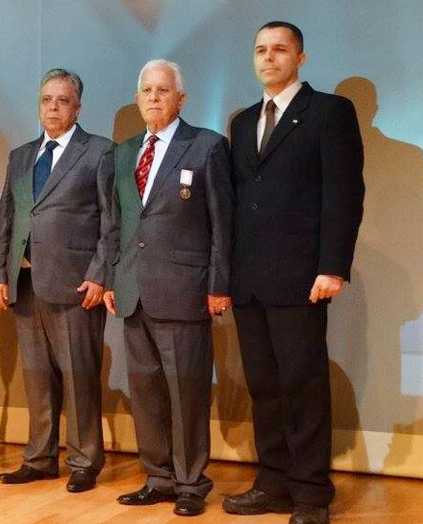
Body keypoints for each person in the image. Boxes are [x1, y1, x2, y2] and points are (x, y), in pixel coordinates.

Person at [222, 22, 364, 524]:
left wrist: (333, 266)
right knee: (263, 387)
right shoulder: (242, 122)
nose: (269, 57)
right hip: (249, 280)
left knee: (303, 386)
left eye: (279, 49)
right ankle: (273, 482)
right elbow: (239, 201)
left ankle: (310, 495)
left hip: (303, 278)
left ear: (300, 58)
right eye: (260, 49)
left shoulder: (329, 112)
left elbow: (344, 194)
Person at [103, 59, 233, 516]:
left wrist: (219, 284)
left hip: (185, 291)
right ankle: (157, 477)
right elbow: (116, 223)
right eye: (147, 90)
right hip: (132, 290)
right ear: (137, 99)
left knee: (187, 393)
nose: (154, 98)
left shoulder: (207, 147)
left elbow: (222, 224)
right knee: (146, 393)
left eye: (163, 90)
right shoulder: (124, 153)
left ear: (181, 98)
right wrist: (111, 276)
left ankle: (191, 483)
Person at [0, 68, 114, 493]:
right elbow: (6, 218)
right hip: (25, 285)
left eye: (62, 100)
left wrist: (99, 275)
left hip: (76, 287)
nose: (53, 107)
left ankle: (84, 461)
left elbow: (111, 221)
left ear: (77, 108)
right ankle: (39, 458)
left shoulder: (99, 151)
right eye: (46, 100)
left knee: (79, 378)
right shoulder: (21, 156)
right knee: (37, 378)